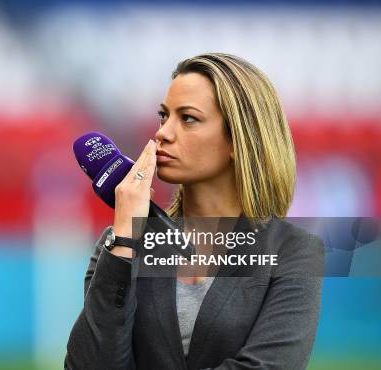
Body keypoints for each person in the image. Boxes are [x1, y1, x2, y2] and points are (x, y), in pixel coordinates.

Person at [65, 53, 323, 370]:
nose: (163, 133)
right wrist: (125, 239)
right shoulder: (118, 244)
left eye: (187, 118)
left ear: (238, 139)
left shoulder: (294, 251)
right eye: (164, 116)